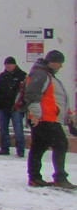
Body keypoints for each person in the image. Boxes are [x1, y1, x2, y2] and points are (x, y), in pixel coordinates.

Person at [24, 50, 74, 189]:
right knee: (61, 144)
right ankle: (60, 177)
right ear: (52, 62)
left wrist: (68, 115)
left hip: (47, 117)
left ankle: (34, 177)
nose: (61, 66)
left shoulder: (46, 75)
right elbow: (32, 95)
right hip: (45, 118)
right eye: (59, 63)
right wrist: (35, 115)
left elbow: (56, 99)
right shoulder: (41, 74)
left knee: (39, 146)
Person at [0, 57, 28, 157]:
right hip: (3, 107)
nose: (8, 66)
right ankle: (4, 148)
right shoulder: (1, 76)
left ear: (15, 65)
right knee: (3, 129)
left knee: (18, 129)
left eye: (10, 64)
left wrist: (23, 105)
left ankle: (20, 150)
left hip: (17, 107)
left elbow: (25, 92)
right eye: (6, 64)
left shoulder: (22, 76)